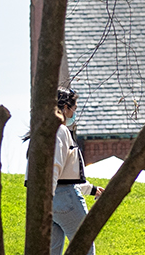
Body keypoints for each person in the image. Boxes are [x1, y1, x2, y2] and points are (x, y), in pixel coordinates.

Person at [49, 87, 103, 255]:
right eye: (74, 109)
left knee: (51, 251)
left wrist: (92, 189)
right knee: (85, 247)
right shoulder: (61, 131)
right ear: (65, 108)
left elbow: (64, 174)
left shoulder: (43, 133)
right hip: (64, 199)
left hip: (46, 201)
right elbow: (56, 169)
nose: (74, 114)